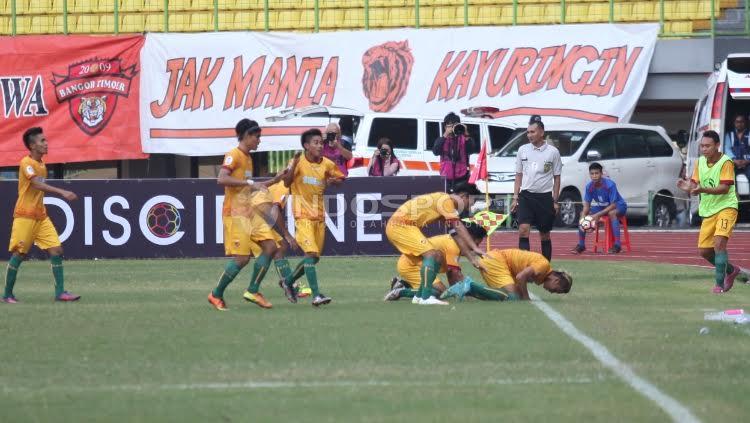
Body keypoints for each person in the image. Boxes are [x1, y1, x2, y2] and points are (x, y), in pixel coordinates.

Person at [208, 119, 285, 311]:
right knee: (242, 259)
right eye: (257, 137)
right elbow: (222, 179)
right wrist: (250, 184)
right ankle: (216, 294)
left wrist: (275, 180)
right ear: (247, 136)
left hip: (249, 213)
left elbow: (250, 187)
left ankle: (253, 290)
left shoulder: (248, 158)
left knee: (271, 246)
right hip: (236, 214)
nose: (259, 141)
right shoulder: (233, 155)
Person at [3, 127, 81, 303]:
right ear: (32, 146)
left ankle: (60, 293)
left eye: (46, 140)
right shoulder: (26, 163)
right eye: (42, 141)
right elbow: (37, 185)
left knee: (56, 250)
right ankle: (7, 295)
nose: (46, 144)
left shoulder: (42, 165)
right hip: (25, 216)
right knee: (19, 255)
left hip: (41, 216)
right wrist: (62, 192)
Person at [385, 182, 485, 305]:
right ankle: (425, 298)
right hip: (401, 225)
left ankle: (418, 296)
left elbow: (456, 235)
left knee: (437, 256)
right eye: (471, 203)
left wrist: (472, 258)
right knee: (432, 255)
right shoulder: (446, 201)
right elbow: (459, 227)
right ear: (464, 196)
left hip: (400, 226)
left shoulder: (444, 203)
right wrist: (475, 247)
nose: (469, 207)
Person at [282, 128, 345, 307]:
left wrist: (333, 182)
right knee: (310, 253)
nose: (320, 145)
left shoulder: (327, 164)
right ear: (306, 146)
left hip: (319, 216)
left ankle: (288, 281)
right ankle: (316, 295)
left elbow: (341, 179)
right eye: (316, 143)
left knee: (314, 258)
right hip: (302, 216)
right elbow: (286, 182)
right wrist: (293, 163)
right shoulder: (297, 162)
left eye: (321, 142)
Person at [677, 130, 743, 294]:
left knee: (719, 242)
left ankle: (719, 285)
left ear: (717, 145)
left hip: (727, 208)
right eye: (702, 146)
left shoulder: (726, 162)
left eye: (708, 146)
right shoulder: (700, 162)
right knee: (704, 251)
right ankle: (731, 270)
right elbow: (695, 184)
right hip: (709, 210)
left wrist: (701, 189)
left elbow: (724, 188)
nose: (704, 149)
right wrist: (689, 187)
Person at [383, 222, 487, 301]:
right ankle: (400, 292)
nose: (475, 248)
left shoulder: (454, 242)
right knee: (438, 293)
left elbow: (452, 276)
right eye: (475, 244)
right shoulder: (453, 246)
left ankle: (402, 284)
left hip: (414, 263)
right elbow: (453, 275)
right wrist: (464, 292)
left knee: (442, 291)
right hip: (411, 266)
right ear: (469, 238)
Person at [510, 115, 562, 261]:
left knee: (544, 233)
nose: (529, 135)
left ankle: (545, 268)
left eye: (532, 132)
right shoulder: (522, 150)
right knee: (523, 230)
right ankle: (524, 265)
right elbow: (518, 175)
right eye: (528, 132)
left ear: (541, 132)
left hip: (544, 197)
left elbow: (557, 177)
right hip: (526, 196)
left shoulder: (553, 152)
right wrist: (515, 197)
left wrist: (555, 200)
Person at [441, 249, 572, 302]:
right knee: (513, 298)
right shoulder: (543, 266)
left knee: (502, 297)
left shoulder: (542, 274)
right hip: (496, 261)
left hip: (498, 263)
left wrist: (522, 294)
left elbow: (519, 279)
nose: (551, 292)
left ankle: (465, 290)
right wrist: (526, 298)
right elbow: (521, 277)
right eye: (555, 290)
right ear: (555, 280)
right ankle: (469, 286)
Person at [572, 162, 628, 254]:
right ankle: (581, 245)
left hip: (619, 206)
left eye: (597, 173)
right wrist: (583, 219)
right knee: (583, 213)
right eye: (592, 174)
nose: (594, 176)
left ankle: (617, 245)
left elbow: (613, 205)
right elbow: (586, 206)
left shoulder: (610, 185)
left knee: (612, 213)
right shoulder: (589, 187)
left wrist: (597, 215)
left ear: (601, 174)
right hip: (602, 207)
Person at [432, 112, 478, 190]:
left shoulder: (464, 139)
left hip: (462, 178)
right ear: (445, 126)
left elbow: (472, 150)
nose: (452, 128)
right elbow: (436, 152)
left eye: (455, 125)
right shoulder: (442, 140)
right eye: (450, 125)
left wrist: (465, 133)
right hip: (446, 179)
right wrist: (445, 135)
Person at [723, 113, 750, 183]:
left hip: (748, 163)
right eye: (737, 122)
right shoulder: (729, 134)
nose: (739, 124)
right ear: (734, 123)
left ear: (746, 122)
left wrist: (747, 161)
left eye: (742, 122)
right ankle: (734, 193)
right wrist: (734, 160)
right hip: (733, 163)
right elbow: (726, 148)